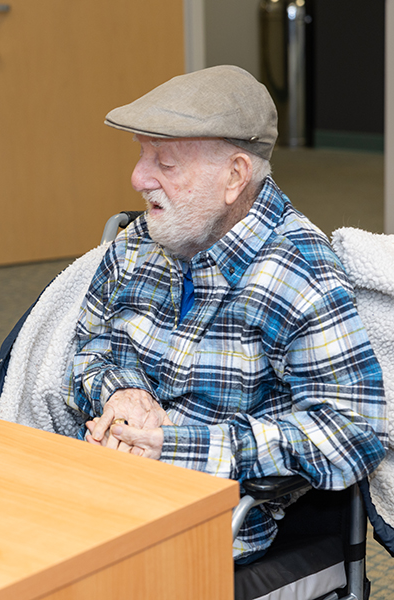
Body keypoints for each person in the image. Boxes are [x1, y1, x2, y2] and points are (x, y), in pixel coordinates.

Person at [62, 65, 388, 562]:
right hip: (103, 485)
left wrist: (175, 446)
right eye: (141, 154)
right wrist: (122, 392)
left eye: (164, 163)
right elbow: (89, 346)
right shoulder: (136, 246)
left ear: (235, 175)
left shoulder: (299, 275)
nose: (137, 177)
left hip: (208, 521)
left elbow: (351, 435)